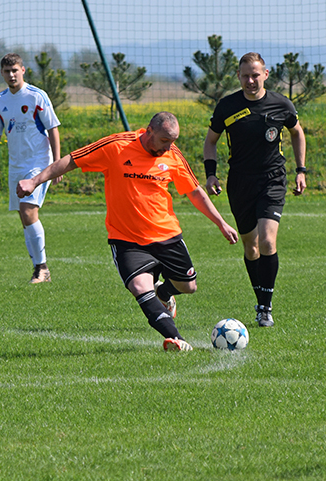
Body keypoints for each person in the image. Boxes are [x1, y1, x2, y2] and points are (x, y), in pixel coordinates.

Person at [18, 112, 239, 351]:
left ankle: (163, 293)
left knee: (189, 286)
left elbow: (194, 191)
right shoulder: (116, 146)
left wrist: (221, 223)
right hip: (127, 240)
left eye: (173, 140)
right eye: (165, 140)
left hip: (166, 235)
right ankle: (177, 339)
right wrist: (35, 181)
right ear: (149, 131)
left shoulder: (173, 155)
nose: (169, 146)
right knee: (139, 288)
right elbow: (72, 159)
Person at [203, 52, 307, 327]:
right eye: (246, 75)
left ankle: (265, 307)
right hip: (240, 182)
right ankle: (259, 298)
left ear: (266, 74)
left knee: (267, 241)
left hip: (272, 179)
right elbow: (210, 141)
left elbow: (297, 132)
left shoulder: (280, 104)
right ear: (238, 76)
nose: (251, 80)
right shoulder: (227, 106)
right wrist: (211, 175)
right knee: (251, 248)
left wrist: (301, 170)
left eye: (255, 74)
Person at [0, 53, 62, 284]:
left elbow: (53, 128)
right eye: (7, 71)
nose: (11, 75)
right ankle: (39, 267)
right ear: (2, 73)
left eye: (15, 70)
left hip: (38, 163)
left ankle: (42, 268)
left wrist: (56, 164)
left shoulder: (37, 96)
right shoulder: (0, 101)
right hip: (16, 165)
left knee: (28, 211)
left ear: (23, 70)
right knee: (24, 217)